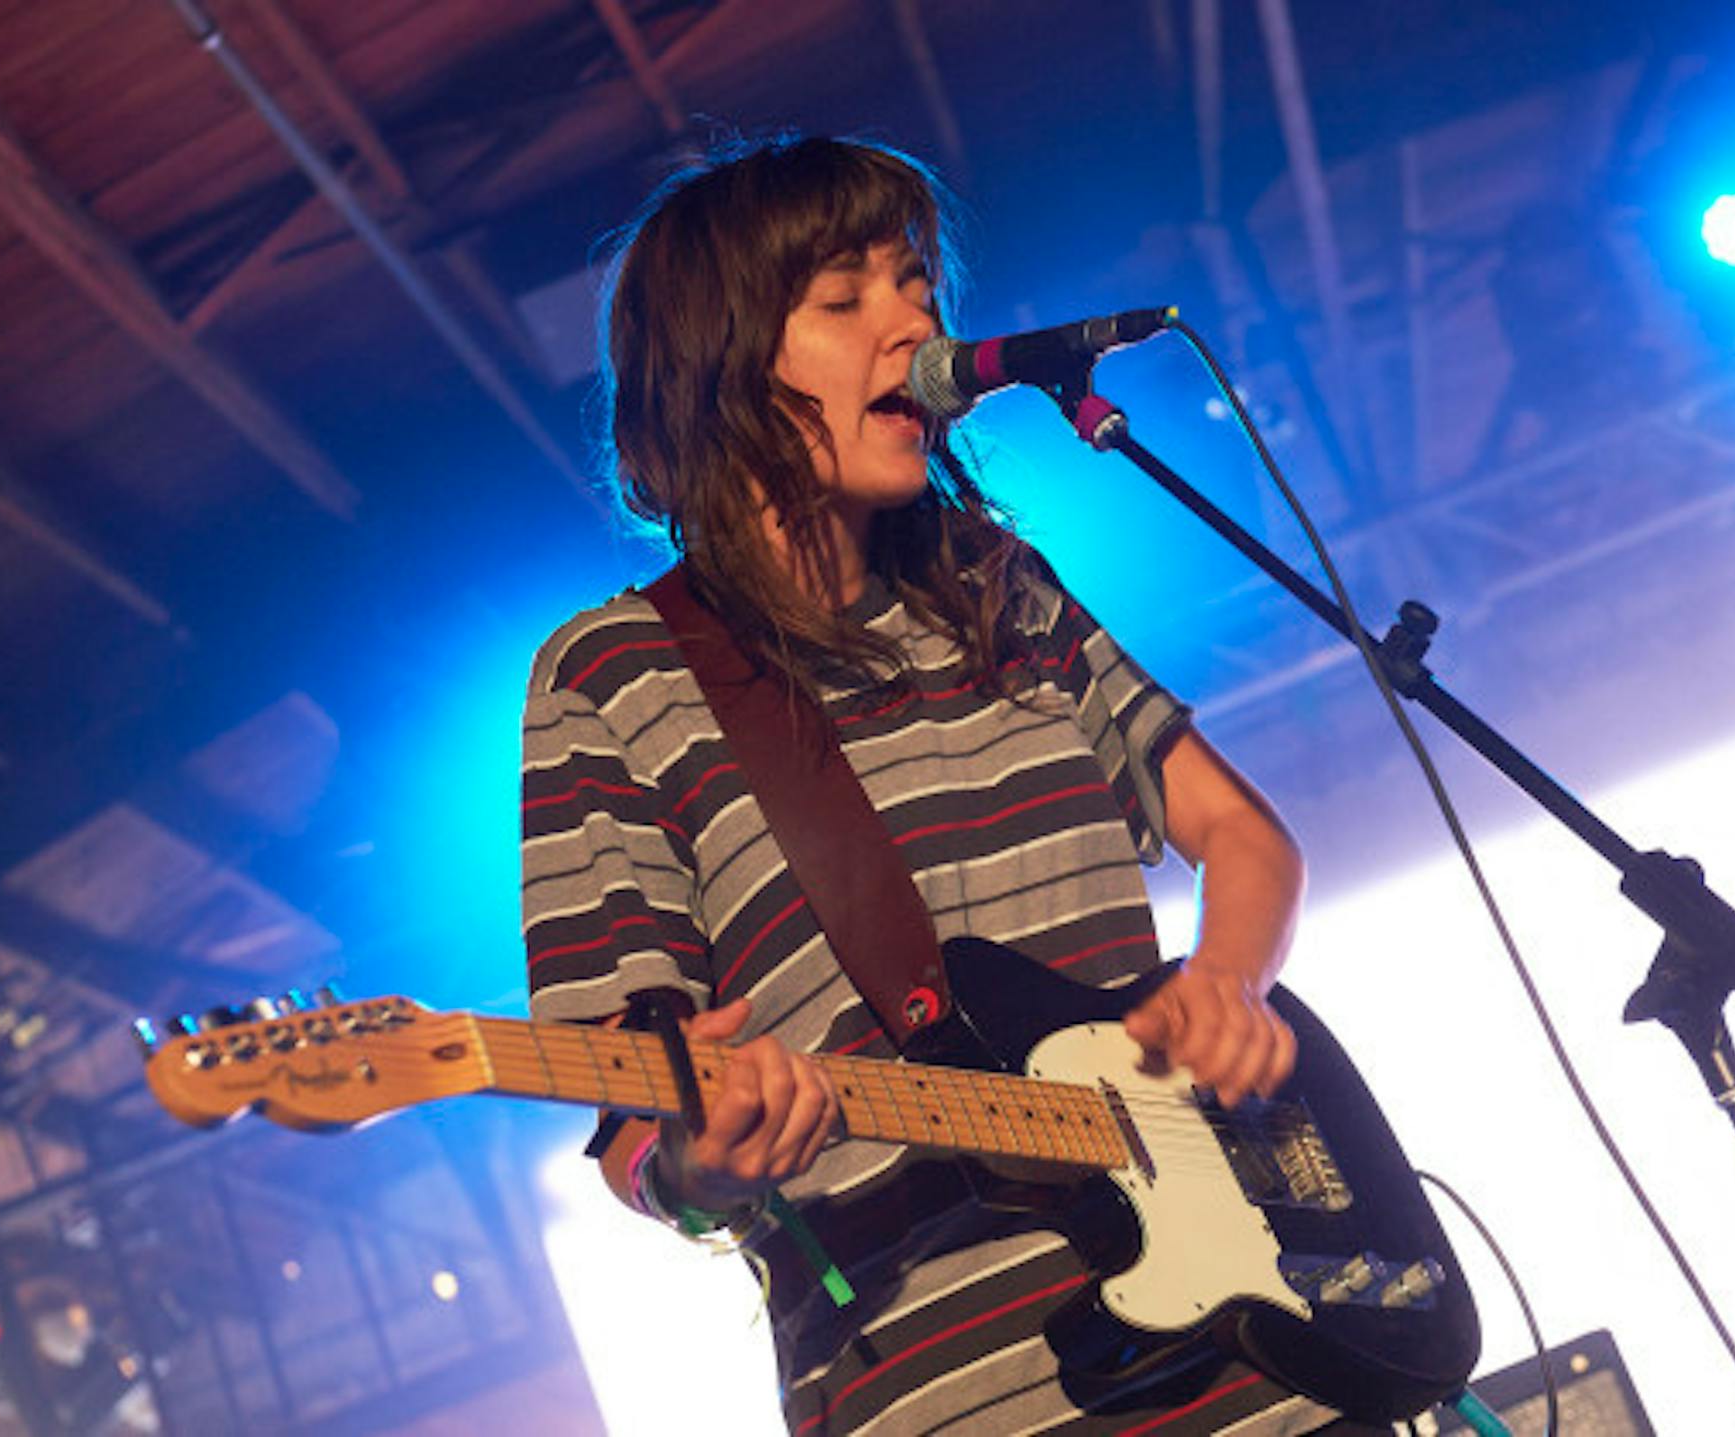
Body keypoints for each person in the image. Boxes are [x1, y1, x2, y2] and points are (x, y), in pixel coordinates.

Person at [522, 134, 1343, 1434]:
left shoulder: (996, 585)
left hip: (1260, 1354)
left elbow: (1239, 833)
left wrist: (1226, 984)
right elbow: (632, 1100)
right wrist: (697, 1153)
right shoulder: (614, 678)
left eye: (915, 284)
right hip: (957, 1390)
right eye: (846, 300)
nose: (912, 322)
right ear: (720, 369)